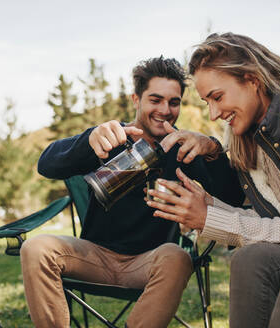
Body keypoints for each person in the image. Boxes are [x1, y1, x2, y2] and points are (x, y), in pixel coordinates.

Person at [147, 33, 280, 328]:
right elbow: (273, 221)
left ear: (253, 80)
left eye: (217, 97)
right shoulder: (255, 136)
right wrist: (208, 207)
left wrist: (210, 219)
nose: (214, 113)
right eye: (207, 102)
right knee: (250, 260)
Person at [20, 56, 244, 328]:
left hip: (150, 261)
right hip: (94, 256)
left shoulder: (182, 147)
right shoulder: (111, 136)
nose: (165, 109)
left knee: (177, 257)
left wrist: (213, 149)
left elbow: (234, 196)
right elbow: (47, 164)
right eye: (155, 99)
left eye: (174, 102)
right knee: (35, 248)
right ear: (136, 99)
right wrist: (88, 139)